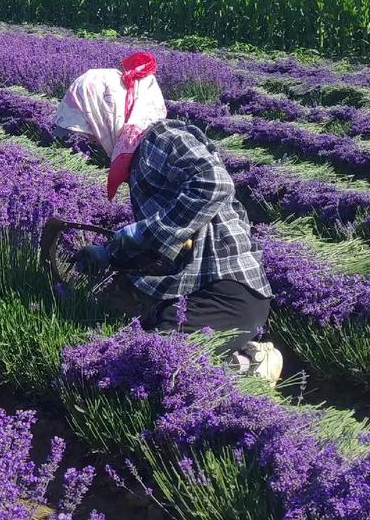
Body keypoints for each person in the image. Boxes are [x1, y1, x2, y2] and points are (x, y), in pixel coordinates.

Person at [54, 52, 282, 382]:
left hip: (228, 292)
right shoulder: (141, 153)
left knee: (156, 362)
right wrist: (112, 253)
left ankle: (250, 363)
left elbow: (214, 183)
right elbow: (168, 236)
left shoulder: (160, 138)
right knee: (130, 330)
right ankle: (238, 349)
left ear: (107, 111)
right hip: (202, 290)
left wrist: (143, 234)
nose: (89, 137)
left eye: (88, 125)